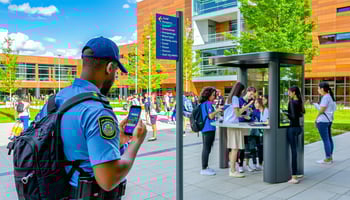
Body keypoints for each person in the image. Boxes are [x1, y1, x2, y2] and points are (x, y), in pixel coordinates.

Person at [35, 36, 147, 199]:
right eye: (116, 72)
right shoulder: (97, 111)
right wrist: (136, 143)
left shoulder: (57, 99)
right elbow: (108, 180)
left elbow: (68, 146)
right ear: (110, 68)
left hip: (55, 192)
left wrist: (118, 141)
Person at [224, 82, 253, 178]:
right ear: (240, 90)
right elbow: (237, 113)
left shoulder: (229, 98)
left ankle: (232, 169)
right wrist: (247, 106)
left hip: (229, 124)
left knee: (233, 148)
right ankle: (232, 170)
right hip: (234, 125)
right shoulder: (235, 98)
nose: (242, 93)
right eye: (242, 91)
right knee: (235, 148)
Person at [199, 87, 223, 176]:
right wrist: (217, 110)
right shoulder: (208, 104)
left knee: (206, 148)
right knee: (206, 148)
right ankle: (204, 168)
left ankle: (205, 167)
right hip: (209, 128)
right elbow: (210, 116)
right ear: (208, 95)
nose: (215, 97)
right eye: (213, 95)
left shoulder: (203, 104)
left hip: (205, 128)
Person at [286, 86, 305, 184]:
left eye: (289, 92)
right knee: (295, 151)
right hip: (298, 129)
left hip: (292, 128)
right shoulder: (299, 102)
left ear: (293, 92)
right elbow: (301, 114)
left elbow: (292, 116)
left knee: (293, 152)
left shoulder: (292, 102)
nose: (288, 94)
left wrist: (285, 113)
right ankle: (297, 173)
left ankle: (294, 177)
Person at [314, 81, 337, 164]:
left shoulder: (325, 97)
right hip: (329, 120)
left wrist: (316, 119)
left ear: (322, 89)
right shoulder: (330, 97)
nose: (318, 90)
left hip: (323, 121)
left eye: (318, 88)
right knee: (329, 139)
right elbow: (332, 109)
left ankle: (328, 158)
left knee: (326, 140)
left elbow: (322, 110)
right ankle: (330, 156)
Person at [237, 87, 256, 173]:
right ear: (247, 92)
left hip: (248, 125)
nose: (251, 96)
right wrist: (248, 106)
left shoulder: (251, 101)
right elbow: (238, 113)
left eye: (253, 95)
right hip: (240, 125)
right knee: (241, 146)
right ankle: (240, 165)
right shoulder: (239, 100)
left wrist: (251, 118)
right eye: (251, 94)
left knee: (247, 146)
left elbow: (252, 113)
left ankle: (247, 164)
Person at [250, 98, 268, 171]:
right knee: (254, 147)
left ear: (260, 103)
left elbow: (266, 121)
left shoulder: (266, 110)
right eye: (254, 103)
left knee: (261, 148)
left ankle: (260, 164)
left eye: (256, 103)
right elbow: (252, 120)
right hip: (255, 131)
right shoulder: (255, 111)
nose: (255, 104)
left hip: (263, 132)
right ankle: (254, 164)